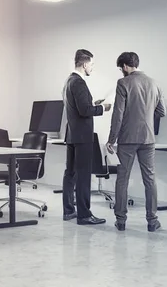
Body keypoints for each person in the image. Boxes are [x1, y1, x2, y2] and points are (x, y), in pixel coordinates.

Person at [105, 52, 166, 232]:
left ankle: (121, 220)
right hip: (148, 139)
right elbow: (162, 112)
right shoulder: (154, 83)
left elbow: (118, 114)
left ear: (125, 66)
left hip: (127, 139)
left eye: (120, 68)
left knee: (122, 179)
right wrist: (146, 118)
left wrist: (111, 139)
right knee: (150, 179)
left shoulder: (123, 83)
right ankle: (152, 221)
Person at [62, 49, 111, 225]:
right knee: (83, 176)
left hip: (72, 134)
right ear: (84, 64)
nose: (92, 68)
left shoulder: (69, 81)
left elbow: (79, 107)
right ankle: (84, 215)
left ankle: (69, 211)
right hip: (82, 136)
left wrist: (92, 104)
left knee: (71, 173)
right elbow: (84, 111)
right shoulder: (79, 83)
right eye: (91, 64)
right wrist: (102, 108)